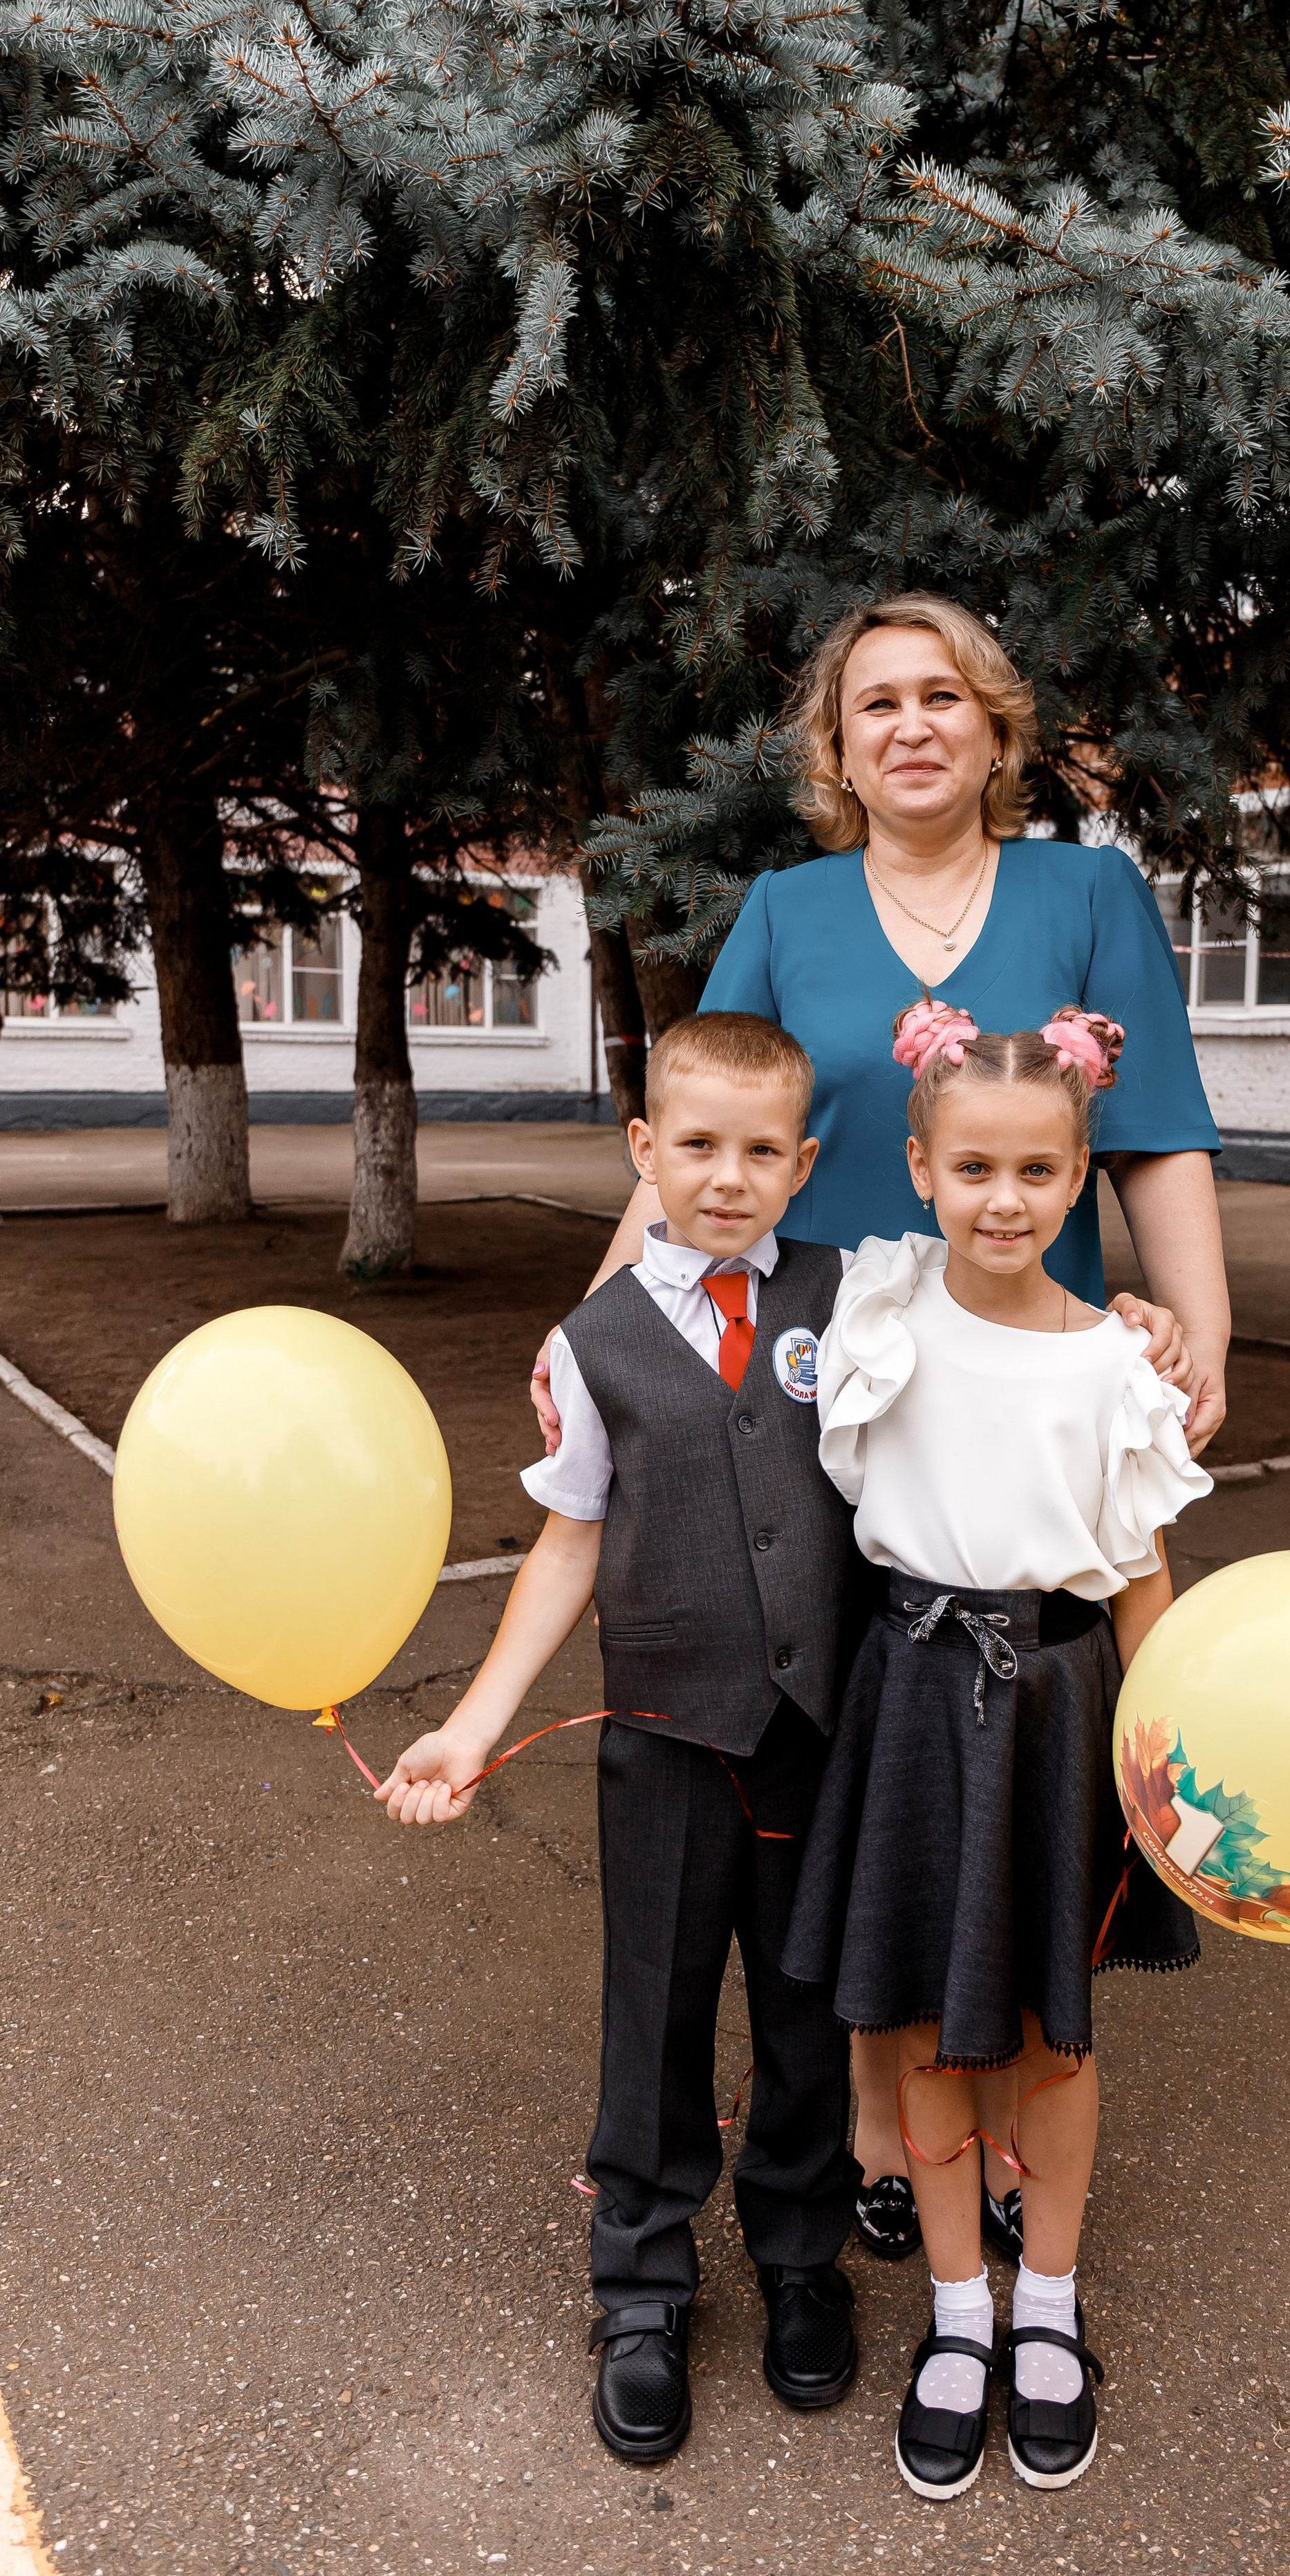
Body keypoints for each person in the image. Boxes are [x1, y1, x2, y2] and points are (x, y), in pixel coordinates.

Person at [532, 590, 1231, 2264]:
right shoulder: (784, 907)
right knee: (848, 1756)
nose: (907, 726)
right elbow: (700, 1145)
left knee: (1006, 1758)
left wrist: (1199, 1318)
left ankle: (1004, 2097)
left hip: (1011, 1392)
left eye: (939, 697)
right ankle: (869, 2107)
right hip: (817, 1395)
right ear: (835, 752)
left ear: (993, 726)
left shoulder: (1086, 891)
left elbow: (1157, 1137)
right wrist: (589, 1331)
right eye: (872, 707)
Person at [375, 1011, 864, 2467]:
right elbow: (565, 1547)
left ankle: (797, 2257)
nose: (727, 1176)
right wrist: (470, 1728)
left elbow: (996, 1320)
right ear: (643, 1150)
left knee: (804, 2012)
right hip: (660, 1738)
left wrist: (1133, 1320)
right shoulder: (591, 1346)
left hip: (811, 1737)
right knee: (649, 2013)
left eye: (760, 1150)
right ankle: (642, 2284)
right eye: (695, 1144)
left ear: (802, 1163)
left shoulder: (852, 1298)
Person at [783, 998, 1213, 2501]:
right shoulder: (879, 1313)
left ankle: (1047, 2301)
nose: (1004, 1202)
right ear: (919, 1169)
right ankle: (956, 2309)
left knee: (1048, 2026)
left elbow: (1144, 1574)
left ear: (1080, 1176)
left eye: (1039, 1172)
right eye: (972, 1170)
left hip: (1057, 1708)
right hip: (909, 1696)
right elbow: (714, 1231)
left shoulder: (1114, 1366)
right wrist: (573, 1362)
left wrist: (1171, 1776)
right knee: (914, 2023)